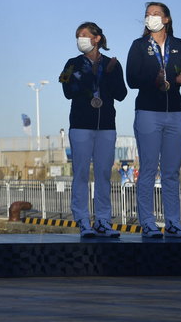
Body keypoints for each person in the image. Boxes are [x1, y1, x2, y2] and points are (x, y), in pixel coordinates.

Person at [126, 2, 181, 238]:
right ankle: (148, 222)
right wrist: (153, 79)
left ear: (166, 19)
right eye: (147, 14)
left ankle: (174, 223)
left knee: (171, 172)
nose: (150, 17)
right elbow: (131, 79)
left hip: (175, 112)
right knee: (147, 169)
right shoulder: (138, 46)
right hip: (147, 113)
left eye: (155, 14)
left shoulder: (179, 45)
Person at [60, 22, 127, 237]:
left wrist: (107, 74)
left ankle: (103, 221)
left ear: (97, 38)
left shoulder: (113, 64)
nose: (81, 39)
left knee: (103, 174)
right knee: (80, 172)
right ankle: (82, 219)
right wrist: (91, 76)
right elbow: (68, 91)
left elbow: (121, 94)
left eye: (85, 35)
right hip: (80, 124)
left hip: (106, 125)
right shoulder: (72, 63)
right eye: (78, 35)